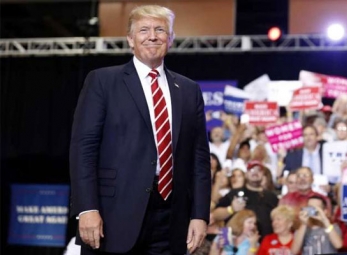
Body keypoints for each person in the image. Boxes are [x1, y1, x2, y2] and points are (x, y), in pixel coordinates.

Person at [69, 5, 211, 255]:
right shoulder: (102, 81)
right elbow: (84, 149)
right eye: (144, 30)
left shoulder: (189, 90)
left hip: (171, 218)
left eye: (160, 29)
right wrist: (87, 208)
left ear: (171, 39)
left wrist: (200, 215)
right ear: (130, 39)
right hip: (112, 215)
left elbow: (199, 159)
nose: (152, 36)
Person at [212, 160, 279, 240]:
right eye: (251, 169)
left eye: (259, 170)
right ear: (246, 174)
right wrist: (231, 209)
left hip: (264, 245)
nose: (255, 172)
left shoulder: (272, 197)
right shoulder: (234, 193)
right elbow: (215, 214)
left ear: (263, 175)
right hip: (236, 245)